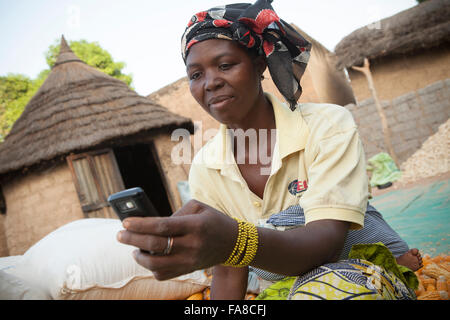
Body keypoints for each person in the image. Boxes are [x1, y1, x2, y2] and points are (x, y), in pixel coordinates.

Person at [117, 0, 422, 300]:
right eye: (195, 75)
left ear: (259, 64)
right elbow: (228, 270)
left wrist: (235, 240)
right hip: (289, 286)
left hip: (361, 274)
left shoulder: (327, 126)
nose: (210, 83)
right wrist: (226, 249)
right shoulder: (206, 167)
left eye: (225, 65)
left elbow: (325, 243)